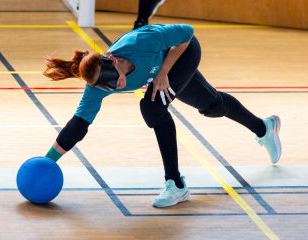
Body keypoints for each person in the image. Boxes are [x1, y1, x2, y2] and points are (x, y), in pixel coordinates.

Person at [43, 24, 282, 208]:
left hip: (182, 51)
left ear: (112, 59)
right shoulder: (97, 85)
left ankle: (176, 184)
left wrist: (164, 72)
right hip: (162, 67)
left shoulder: (139, 42)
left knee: (152, 106)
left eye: (115, 79)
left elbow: (187, 33)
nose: (117, 85)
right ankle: (265, 128)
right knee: (212, 105)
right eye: (109, 87)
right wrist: (47, 162)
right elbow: (79, 124)